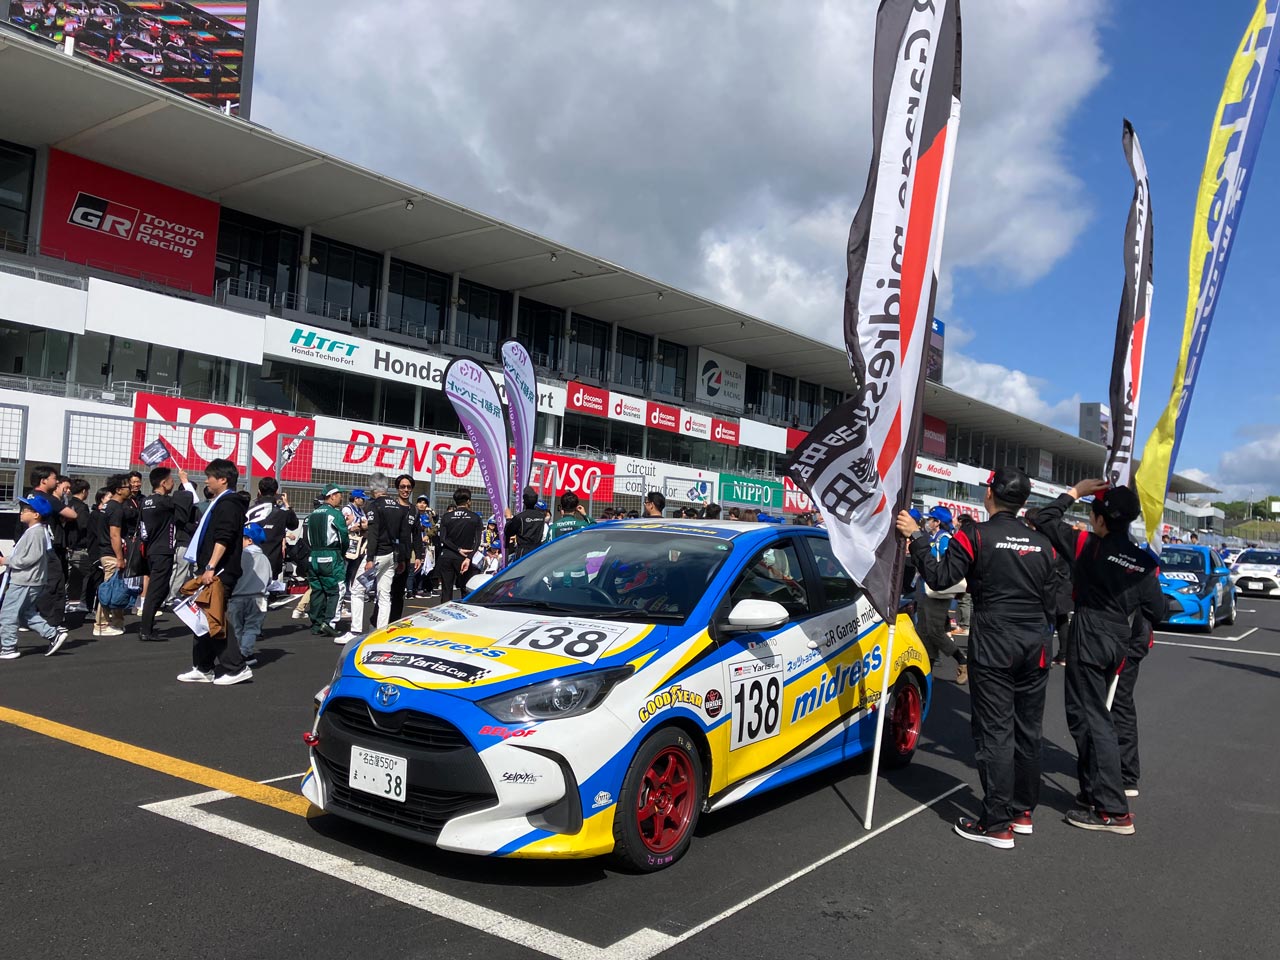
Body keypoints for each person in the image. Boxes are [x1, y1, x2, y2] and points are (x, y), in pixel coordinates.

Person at [898, 466, 1058, 849]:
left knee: (994, 731)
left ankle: (997, 823)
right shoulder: (1044, 543)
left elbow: (940, 578)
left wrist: (917, 538)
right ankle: (1022, 812)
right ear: (1024, 501)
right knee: (1028, 730)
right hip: (1036, 643)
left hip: (996, 642)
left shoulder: (976, 534)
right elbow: (1054, 598)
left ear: (990, 494)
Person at [1031, 479, 1163, 835]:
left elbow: (1043, 518)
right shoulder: (1144, 561)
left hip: (1090, 630)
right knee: (1095, 714)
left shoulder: (1088, 545)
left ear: (1102, 519)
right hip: (1119, 637)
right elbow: (1158, 609)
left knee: (1090, 718)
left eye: (1092, 515)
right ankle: (1094, 790)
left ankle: (1112, 809)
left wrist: (1074, 492)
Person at [177, 458, 252, 685]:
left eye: (210, 477)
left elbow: (223, 537)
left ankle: (236, 667)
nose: (207, 481)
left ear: (223, 479)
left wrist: (210, 566)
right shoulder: (221, 502)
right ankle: (203, 667)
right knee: (202, 617)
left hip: (218, 571)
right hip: (213, 569)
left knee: (213, 617)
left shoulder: (228, 504)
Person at [0, 494, 69, 659]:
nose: (21, 512)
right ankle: (53, 634)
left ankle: (8, 647)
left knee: (8, 613)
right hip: (29, 580)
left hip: (24, 581)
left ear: (36, 515)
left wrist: (6, 561)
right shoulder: (35, 531)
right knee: (25, 613)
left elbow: (30, 558)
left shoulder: (36, 533)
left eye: (26, 510)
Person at [138, 466, 195, 642]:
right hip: (163, 551)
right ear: (163, 483)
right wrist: (185, 481)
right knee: (156, 590)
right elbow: (191, 499)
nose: (173, 483)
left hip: (151, 550)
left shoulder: (146, 501)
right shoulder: (165, 502)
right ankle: (146, 630)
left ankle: (147, 626)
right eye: (171, 480)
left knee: (160, 589)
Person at [913, 506, 969, 684]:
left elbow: (948, 566)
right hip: (926, 588)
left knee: (934, 631)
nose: (928, 522)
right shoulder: (934, 537)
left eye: (931, 519)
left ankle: (962, 661)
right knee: (924, 631)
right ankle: (928, 671)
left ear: (937, 522)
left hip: (938, 592)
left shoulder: (945, 539)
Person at [353, 475, 411, 633]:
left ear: (372, 488)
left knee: (357, 590)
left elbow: (373, 534)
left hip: (377, 554)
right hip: (392, 556)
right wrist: (402, 559)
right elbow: (404, 535)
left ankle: (355, 631)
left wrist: (369, 558)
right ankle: (381, 631)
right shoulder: (399, 507)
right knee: (384, 594)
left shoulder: (374, 506)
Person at [307, 485, 350, 640]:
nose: (341, 498)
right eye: (339, 495)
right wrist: (342, 553)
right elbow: (344, 537)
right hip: (331, 555)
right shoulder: (335, 514)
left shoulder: (312, 514)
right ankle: (329, 623)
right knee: (337, 589)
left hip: (313, 555)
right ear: (332, 496)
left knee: (317, 590)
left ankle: (316, 624)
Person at [228, 522, 273, 667]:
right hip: (259, 598)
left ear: (249, 540)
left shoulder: (238, 557)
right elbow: (269, 579)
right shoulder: (264, 559)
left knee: (236, 628)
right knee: (252, 628)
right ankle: (246, 653)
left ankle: (236, 654)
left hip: (237, 597)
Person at [93, 474, 131, 637]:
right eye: (128, 486)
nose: (131, 489)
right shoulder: (115, 508)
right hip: (111, 554)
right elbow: (114, 535)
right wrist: (120, 558)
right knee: (109, 589)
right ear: (118, 490)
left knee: (117, 588)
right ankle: (101, 625)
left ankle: (117, 622)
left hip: (108, 552)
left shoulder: (108, 506)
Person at [244, 477, 299, 582]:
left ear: (259, 492)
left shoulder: (249, 511)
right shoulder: (282, 513)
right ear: (276, 492)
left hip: (249, 560)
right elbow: (294, 524)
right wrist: (287, 504)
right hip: (272, 562)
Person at [436, 488, 482, 604]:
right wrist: (469, 557)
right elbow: (477, 541)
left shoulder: (446, 517)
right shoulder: (475, 517)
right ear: (468, 501)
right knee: (465, 589)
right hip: (464, 558)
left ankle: (444, 613)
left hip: (447, 556)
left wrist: (457, 549)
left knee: (446, 591)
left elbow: (443, 538)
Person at [388, 474, 417, 620]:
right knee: (385, 591)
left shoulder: (414, 510)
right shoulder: (391, 506)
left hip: (404, 556)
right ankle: (377, 622)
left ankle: (394, 621)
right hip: (388, 554)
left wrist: (419, 555)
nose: (406, 490)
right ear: (397, 488)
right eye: (402, 487)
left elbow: (416, 534)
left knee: (399, 592)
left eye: (408, 487)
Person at [64, 478, 93, 614]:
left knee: (66, 576)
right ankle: (83, 602)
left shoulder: (67, 505)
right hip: (79, 547)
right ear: (84, 491)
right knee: (89, 574)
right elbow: (84, 526)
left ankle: (64, 601)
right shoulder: (82, 507)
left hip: (66, 546)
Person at [504, 486, 547, 561]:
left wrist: (508, 518)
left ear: (524, 502)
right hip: (537, 550)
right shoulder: (541, 517)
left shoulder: (520, 517)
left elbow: (508, 532)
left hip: (523, 552)